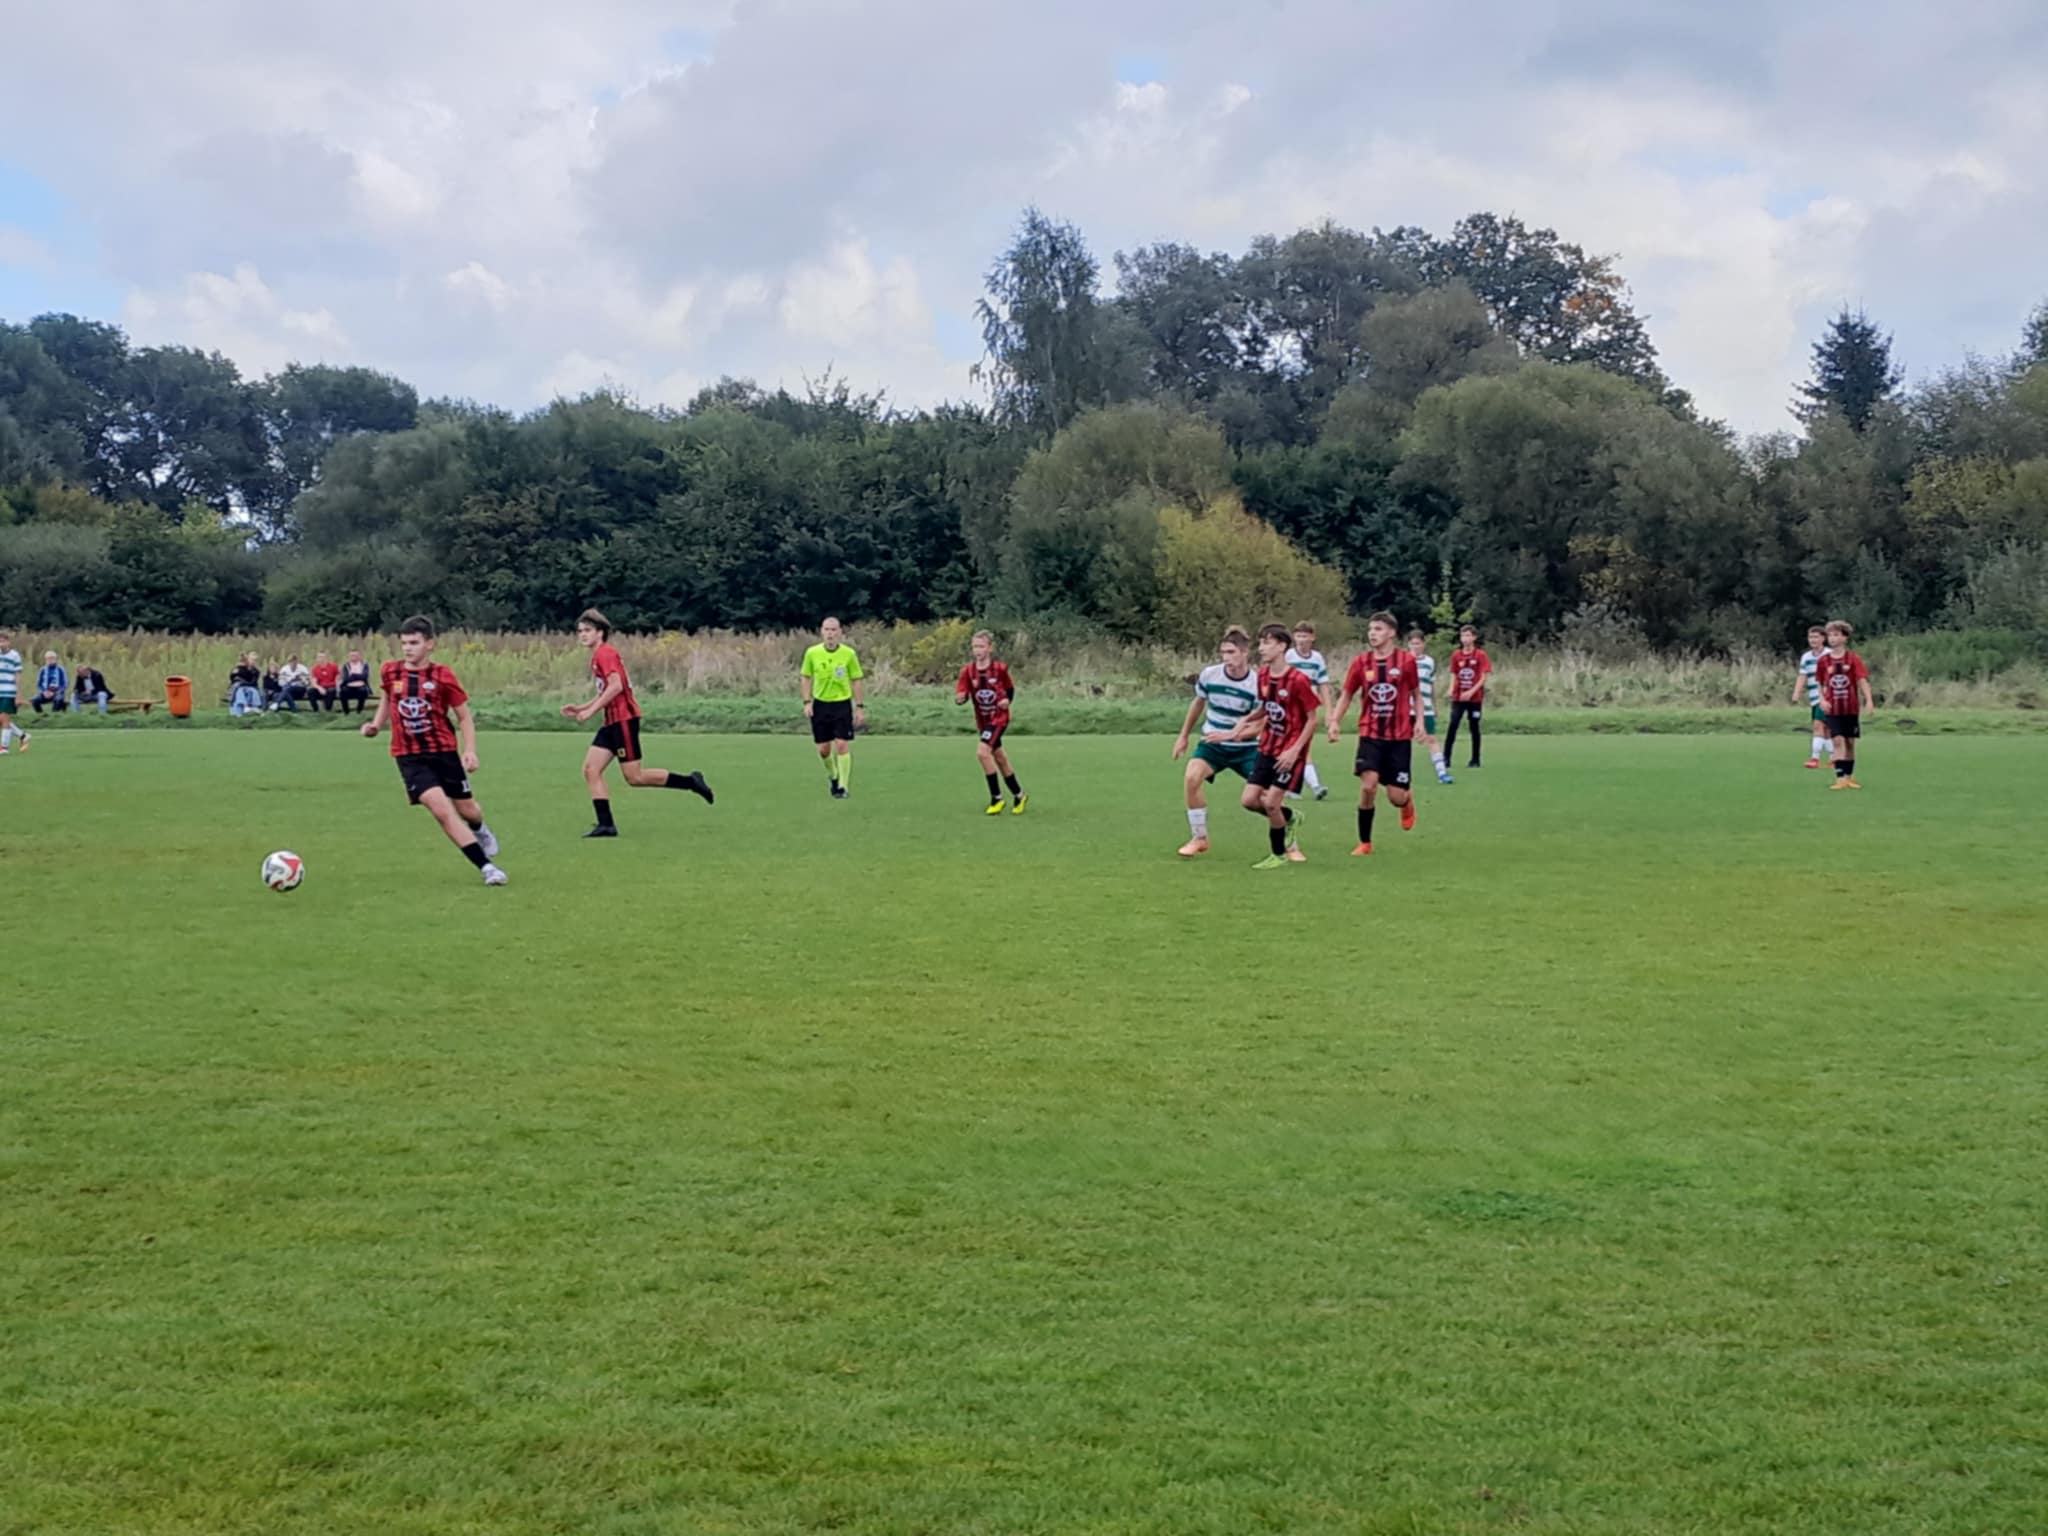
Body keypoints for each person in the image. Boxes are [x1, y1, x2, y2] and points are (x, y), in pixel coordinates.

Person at [361, 614, 507, 885]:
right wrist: (376, 725)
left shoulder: (442, 676)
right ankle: (487, 868)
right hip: (409, 756)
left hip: (443, 752)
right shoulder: (391, 671)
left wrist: (470, 750)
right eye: (404, 643)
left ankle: (479, 829)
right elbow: (388, 698)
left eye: (414, 643)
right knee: (441, 811)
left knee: (468, 810)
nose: (408, 648)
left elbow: (464, 716)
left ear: (429, 644)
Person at [562, 608, 713, 837]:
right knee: (591, 769)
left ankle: (691, 782)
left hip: (623, 720)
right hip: (611, 722)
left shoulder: (605, 654)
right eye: (580, 631)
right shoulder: (598, 656)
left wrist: (591, 711)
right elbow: (607, 691)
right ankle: (606, 825)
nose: (582, 634)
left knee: (635, 777)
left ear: (600, 633)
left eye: (588, 630)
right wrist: (583, 707)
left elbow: (616, 687)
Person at [1226, 624, 1322, 869]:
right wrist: (1245, 720)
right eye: (1260, 643)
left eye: (1267, 643)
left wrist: (1295, 750)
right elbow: (1266, 707)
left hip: (1289, 752)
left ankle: (1278, 855)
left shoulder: (1298, 680)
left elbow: (1313, 719)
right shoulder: (1264, 675)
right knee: (1249, 800)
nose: (1261, 648)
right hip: (1268, 746)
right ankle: (1290, 817)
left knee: (1271, 803)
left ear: (1281, 646)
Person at [1331, 612, 1421, 855]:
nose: (1372, 633)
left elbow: (1416, 694)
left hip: (1399, 737)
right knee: (1368, 786)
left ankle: (1406, 800)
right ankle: (1365, 842)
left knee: (1396, 798)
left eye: (1378, 629)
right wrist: (1335, 721)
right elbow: (1347, 694)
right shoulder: (1361, 662)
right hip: (1370, 734)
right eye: (1371, 629)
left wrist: (1420, 722)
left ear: (1391, 633)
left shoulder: (1406, 661)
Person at [1171, 627, 1262, 858]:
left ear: (1244, 653)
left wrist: (1232, 735)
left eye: (1231, 652)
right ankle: (1199, 838)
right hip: (1213, 743)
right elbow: (1198, 703)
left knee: (1266, 799)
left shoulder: (1257, 683)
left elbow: (1260, 726)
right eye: (1223, 653)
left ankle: (1289, 832)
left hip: (1247, 748)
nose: (1226, 658)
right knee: (1192, 777)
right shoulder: (1210, 675)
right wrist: (1183, 736)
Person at [956, 630, 1027, 814]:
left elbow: (1010, 690)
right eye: (975, 646)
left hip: (998, 718)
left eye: (981, 646)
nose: (977, 650)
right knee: (1000, 758)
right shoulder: (968, 671)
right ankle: (1019, 795)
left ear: (990, 648)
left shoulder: (1000, 669)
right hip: (983, 720)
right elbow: (962, 692)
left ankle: (996, 798)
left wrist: (1006, 701)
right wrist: (960, 698)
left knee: (982, 752)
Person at [799, 616, 865, 799]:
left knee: (842, 743)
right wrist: (807, 702)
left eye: (834, 630)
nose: (830, 634)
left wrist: (859, 707)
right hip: (821, 704)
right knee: (824, 749)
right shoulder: (812, 653)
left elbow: (856, 680)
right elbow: (806, 677)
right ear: (822, 632)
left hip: (842, 704)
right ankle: (833, 776)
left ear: (840, 632)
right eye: (827, 629)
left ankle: (843, 786)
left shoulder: (848, 654)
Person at [1816, 619, 1872, 790]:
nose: (1832, 638)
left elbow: (1862, 680)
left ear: (1844, 637)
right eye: (1830, 635)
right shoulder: (1823, 661)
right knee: (1837, 740)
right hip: (1832, 708)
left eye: (1836, 635)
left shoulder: (1853, 659)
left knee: (1850, 742)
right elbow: (1819, 682)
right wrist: (1822, 699)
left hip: (1850, 708)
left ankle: (1849, 777)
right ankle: (1839, 778)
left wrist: (1869, 700)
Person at [1283, 621, 1333, 801]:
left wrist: (1329, 711)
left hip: (1308, 709)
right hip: (1289, 707)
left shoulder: (1316, 658)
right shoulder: (1288, 656)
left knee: (1300, 747)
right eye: (1298, 636)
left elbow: (1323, 685)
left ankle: (1292, 787)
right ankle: (1312, 786)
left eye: (1305, 636)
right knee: (1297, 747)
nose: (1301, 640)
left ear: (1312, 638)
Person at [1407, 629, 1453, 784]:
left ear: (1423, 644)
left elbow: (1431, 685)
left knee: (1432, 738)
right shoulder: (1404, 660)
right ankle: (1401, 773)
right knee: (1403, 741)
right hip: (1407, 709)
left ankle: (1442, 773)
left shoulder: (1429, 662)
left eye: (1418, 644)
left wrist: (1434, 706)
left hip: (1425, 708)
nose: (1415, 647)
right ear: (1408, 645)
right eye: (1413, 644)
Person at [1443, 624, 1491, 769]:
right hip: (1459, 698)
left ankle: (1475, 759)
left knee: (1474, 726)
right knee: (1453, 724)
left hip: (1475, 699)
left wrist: (1471, 691)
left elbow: (1483, 677)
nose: (1465, 639)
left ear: (1474, 637)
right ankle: (1446, 758)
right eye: (1463, 635)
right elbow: (1454, 673)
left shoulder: (1480, 655)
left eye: (1468, 635)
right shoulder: (1456, 655)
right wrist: (1451, 689)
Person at [1791, 625, 1831, 769]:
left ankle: (1815, 758)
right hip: (1814, 697)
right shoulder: (1806, 657)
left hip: (1827, 697)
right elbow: (1803, 675)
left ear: (1823, 638)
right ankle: (1834, 759)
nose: (1813, 640)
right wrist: (1796, 692)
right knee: (1826, 729)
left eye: (1816, 637)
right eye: (1810, 637)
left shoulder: (1829, 655)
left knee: (1818, 726)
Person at [0, 629, 27, 754]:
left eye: (3, 641)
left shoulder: (14, 655)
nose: (1, 643)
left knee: (5, 718)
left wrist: (18, 694)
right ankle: (22, 735)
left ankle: (4, 747)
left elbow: (18, 675)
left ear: (8, 642)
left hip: (9, 691)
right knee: (1, 719)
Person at [338, 650, 373, 714]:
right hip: (349, 686)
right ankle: (346, 712)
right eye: (352, 655)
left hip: (361, 686)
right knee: (342, 692)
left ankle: (359, 711)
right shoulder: (346, 665)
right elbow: (345, 678)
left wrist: (353, 675)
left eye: (355, 655)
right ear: (349, 656)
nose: (354, 657)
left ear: (359, 656)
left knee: (363, 691)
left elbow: (364, 676)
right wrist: (358, 676)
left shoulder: (364, 665)